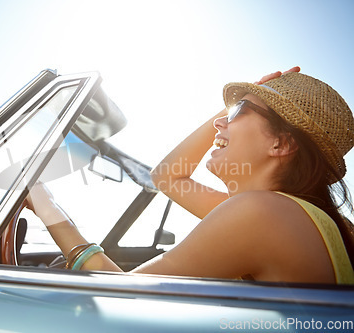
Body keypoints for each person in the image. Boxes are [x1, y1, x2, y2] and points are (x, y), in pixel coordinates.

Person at [26, 67, 354, 284]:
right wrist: (237, 109)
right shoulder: (303, 218)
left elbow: (119, 300)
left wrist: (48, 206)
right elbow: (166, 177)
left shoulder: (261, 214)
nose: (219, 122)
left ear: (281, 143)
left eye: (239, 111)